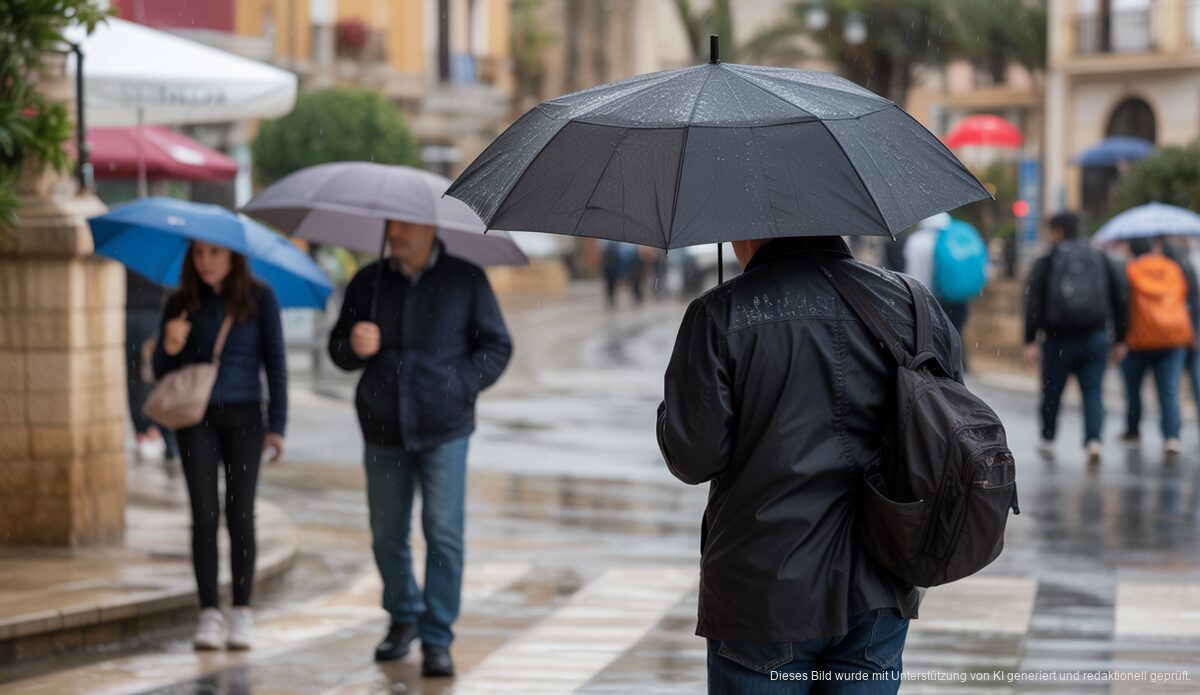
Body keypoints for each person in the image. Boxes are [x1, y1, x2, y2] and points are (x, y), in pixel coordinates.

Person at [657, 235, 963, 693]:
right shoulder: (916, 304)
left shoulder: (722, 313)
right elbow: (945, 432)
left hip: (763, 589)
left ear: (749, 226)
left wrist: (674, 410)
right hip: (882, 581)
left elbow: (694, 458)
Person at [328, 220, 512, 677]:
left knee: (443, 531)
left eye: (407, 225)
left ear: (430, 228)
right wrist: (353, 345)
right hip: (381, 425)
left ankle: (437, 636)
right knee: (387, 532)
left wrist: (460, 385)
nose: (396, 233)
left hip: (444, 425)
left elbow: (497, 346)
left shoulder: (465, 278)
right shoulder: (368, 281)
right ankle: (403, 616)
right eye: (391, 225)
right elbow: (338, 349)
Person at [152, 241, 287, 651]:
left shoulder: (260, 297)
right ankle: (209, 611)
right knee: (204, 514)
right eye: (198, 254)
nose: (206, 261)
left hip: (247, 418)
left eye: (214, 252)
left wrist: (277, 426)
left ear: (232, 255)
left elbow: (276, 363)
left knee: (240, 513)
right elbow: (160, 369)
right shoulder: (179, 301)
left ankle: (242, 611)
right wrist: (170, 347)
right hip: (196, 420)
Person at [1023, 212, 1128, 462]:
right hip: (1095, 335)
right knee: (1092, 390)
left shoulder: (1048, 259)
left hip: (1058, 338)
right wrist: (1121, 338)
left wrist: (1029, 340)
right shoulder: (1100, 257)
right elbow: (1121, 298)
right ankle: (1094, 440)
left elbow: (1033, 301)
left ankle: (1048, 437)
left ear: (1057, 231)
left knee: (1052, 390)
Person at [1121, 236, 1194, 455]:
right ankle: (1172, 437)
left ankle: (1133, 430)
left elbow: (1124, 304)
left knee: (1133, 389)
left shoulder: (1131, 270)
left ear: (1132, 249)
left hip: (1139, 339)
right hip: (1172, 337)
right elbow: (1185, 296)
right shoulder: (1172, 268)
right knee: (1169, 389)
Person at [125, 269, 178, 464]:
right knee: (153, 376)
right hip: (149, 310)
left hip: (134, 308)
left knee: (139, 377)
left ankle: (148, 430)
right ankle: (157, 433)